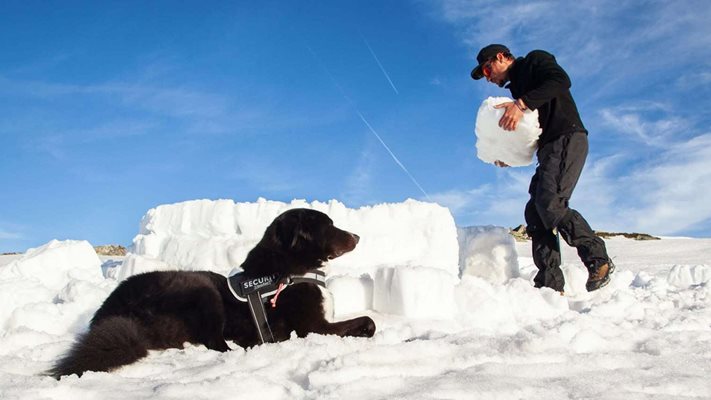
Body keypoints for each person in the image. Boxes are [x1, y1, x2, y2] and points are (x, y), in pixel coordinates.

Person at [470, 44, 614, 292]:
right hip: (548, 148)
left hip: (567, 137)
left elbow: (561, 80)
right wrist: (508, 153)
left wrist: (522, 103)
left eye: (487, 68)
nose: (488, 77)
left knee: (550, 203)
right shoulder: (517, 88)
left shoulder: (535, 61)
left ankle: (598, 260)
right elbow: (530, 133)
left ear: (502, 57)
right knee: (535, 212)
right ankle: (549, 284)